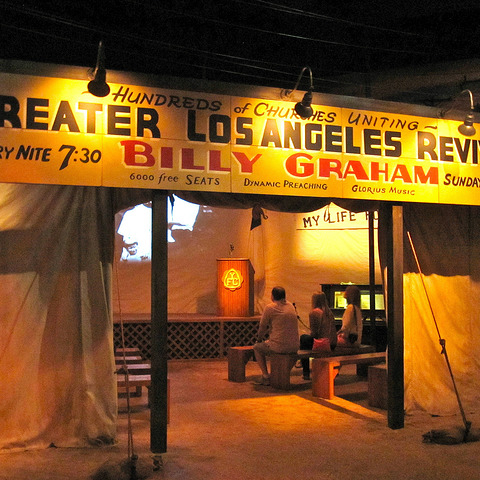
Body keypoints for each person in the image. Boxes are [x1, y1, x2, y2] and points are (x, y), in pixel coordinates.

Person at [253, 286, 299, 386]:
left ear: (272, 296)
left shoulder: (270, 308)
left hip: (279, 346)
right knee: (271, 343)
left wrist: (259, 339)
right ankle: (282, 374)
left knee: (257, 348)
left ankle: (265, 376)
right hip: (294, 345)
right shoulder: (290, 305)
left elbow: (262, 327)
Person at [299, 292, 337, 380]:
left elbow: (314, 334)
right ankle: (304, 367)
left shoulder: (314, 313)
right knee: (305, 339)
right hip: (332, 343)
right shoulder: (329, 312)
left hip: (323, 343)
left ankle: (306, 371)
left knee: (303, 339)